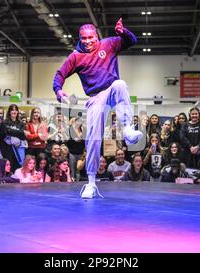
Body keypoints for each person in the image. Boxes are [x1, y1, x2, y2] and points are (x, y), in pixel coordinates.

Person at [53, 18, 142, 198]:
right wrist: (59, 91)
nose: (87, 41)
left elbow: (132, 41)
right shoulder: (76, 56)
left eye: (91, 37)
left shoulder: (108, 44)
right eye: (83, 38)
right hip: (95, 97)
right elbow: (60, 74)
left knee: (120, 84)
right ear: (79, 38)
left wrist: (123, 32)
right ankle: (91, 183)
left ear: (96, 36)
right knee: (93, 138)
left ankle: (127, 130)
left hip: (111, 89)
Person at [1, 104, 27, 170]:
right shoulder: (4, 122)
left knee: (18, 167)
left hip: (18, 149)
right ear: (9, 111)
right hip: (7, 149)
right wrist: (20, 132)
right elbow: (6, 132)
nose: (14, 112)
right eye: (12, 110)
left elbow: (24, 136)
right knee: (8, 167)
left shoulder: (21, 123)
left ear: (18, 112)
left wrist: (11, 131)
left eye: (16, 110)